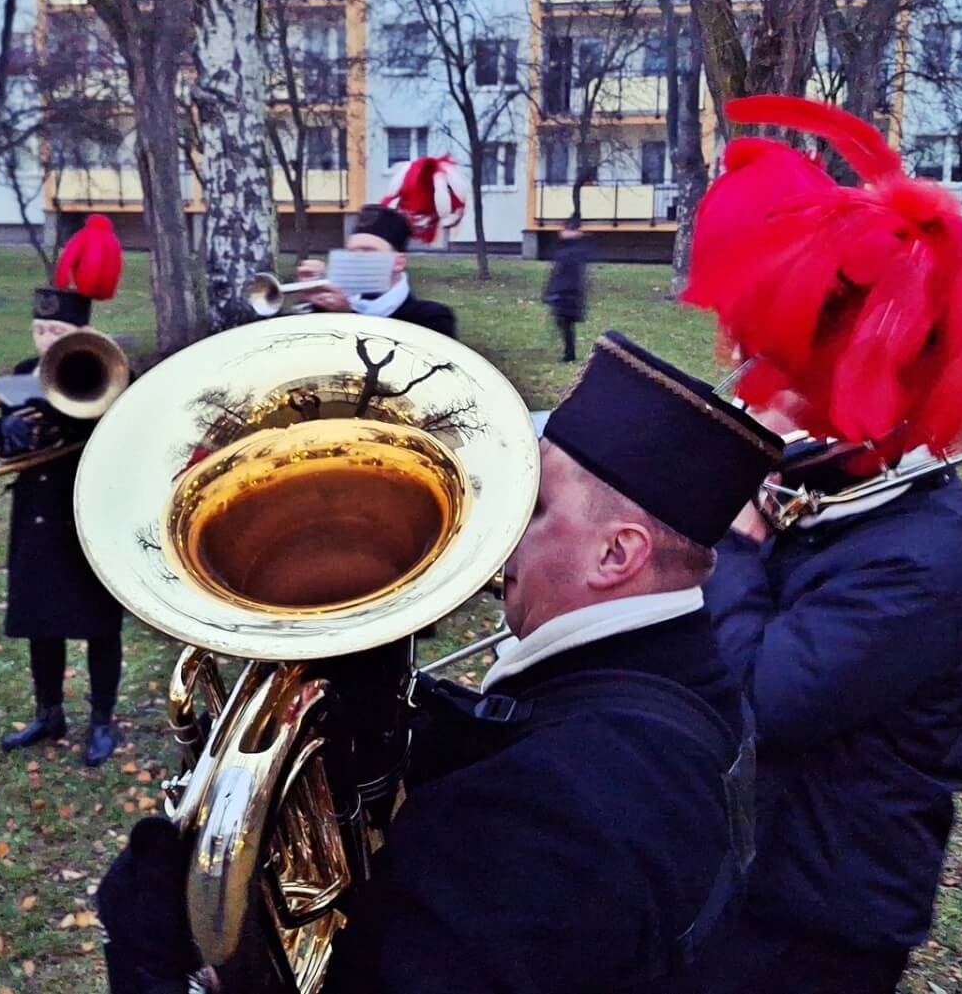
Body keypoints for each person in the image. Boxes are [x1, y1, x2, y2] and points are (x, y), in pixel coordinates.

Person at [95, 331, 787, 994]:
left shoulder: (528, 820)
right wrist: (409, 711)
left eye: (536, 505)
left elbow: (548, 808)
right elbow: (564, 734)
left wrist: (160, 968)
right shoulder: (691, 677)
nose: (502, 525)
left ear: (617, 554)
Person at [684, 95, 962, 993]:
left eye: (785, 377)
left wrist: (734, 538)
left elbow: (756, 700)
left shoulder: (922, 562)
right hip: (742, 878)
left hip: (815, 923)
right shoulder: (826, 478)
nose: (755, 394)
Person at [0, 216, 128, 767]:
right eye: (40, 331)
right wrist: (7, 431)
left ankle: (102, 720)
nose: (46, 341)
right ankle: (49, 713)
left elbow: (121, 443)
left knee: (98, 624)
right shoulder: (26, 372)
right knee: (39, 618)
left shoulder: (106, 371)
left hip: (87, 514)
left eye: (57, 334)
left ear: (82, 336)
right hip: (37, 513)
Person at [291, 204, 457, 339]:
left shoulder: (433, 317)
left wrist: (346, 317)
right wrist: (311, 303)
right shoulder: (328, 310)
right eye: (352, 251)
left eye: (368, 250)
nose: (356, 259)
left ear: (398, 262)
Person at [542, 217, 591, 362]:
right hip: (565, 293)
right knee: (564, 324)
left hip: (567, 294)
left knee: (565, 324)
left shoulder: (572, 250)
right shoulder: (568, 247)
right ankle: (569, 352)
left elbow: (565, 274)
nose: (560, 232)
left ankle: (569, 354)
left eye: (564, 229)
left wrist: (556, 291)